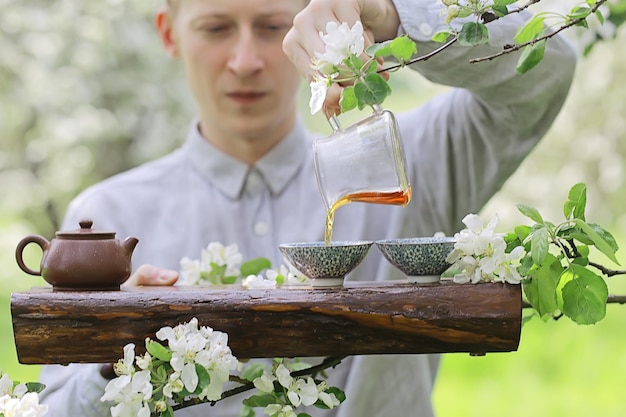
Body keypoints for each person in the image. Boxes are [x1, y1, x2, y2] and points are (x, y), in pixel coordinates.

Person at [38, 0, 577, 416]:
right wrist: (113, 363)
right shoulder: (108, 218)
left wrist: (391, 15)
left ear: (308, 30)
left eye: (273, 26)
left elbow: (548, 65)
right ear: (169, 32)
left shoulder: (418, 160)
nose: (245, 61)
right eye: (216, 27)